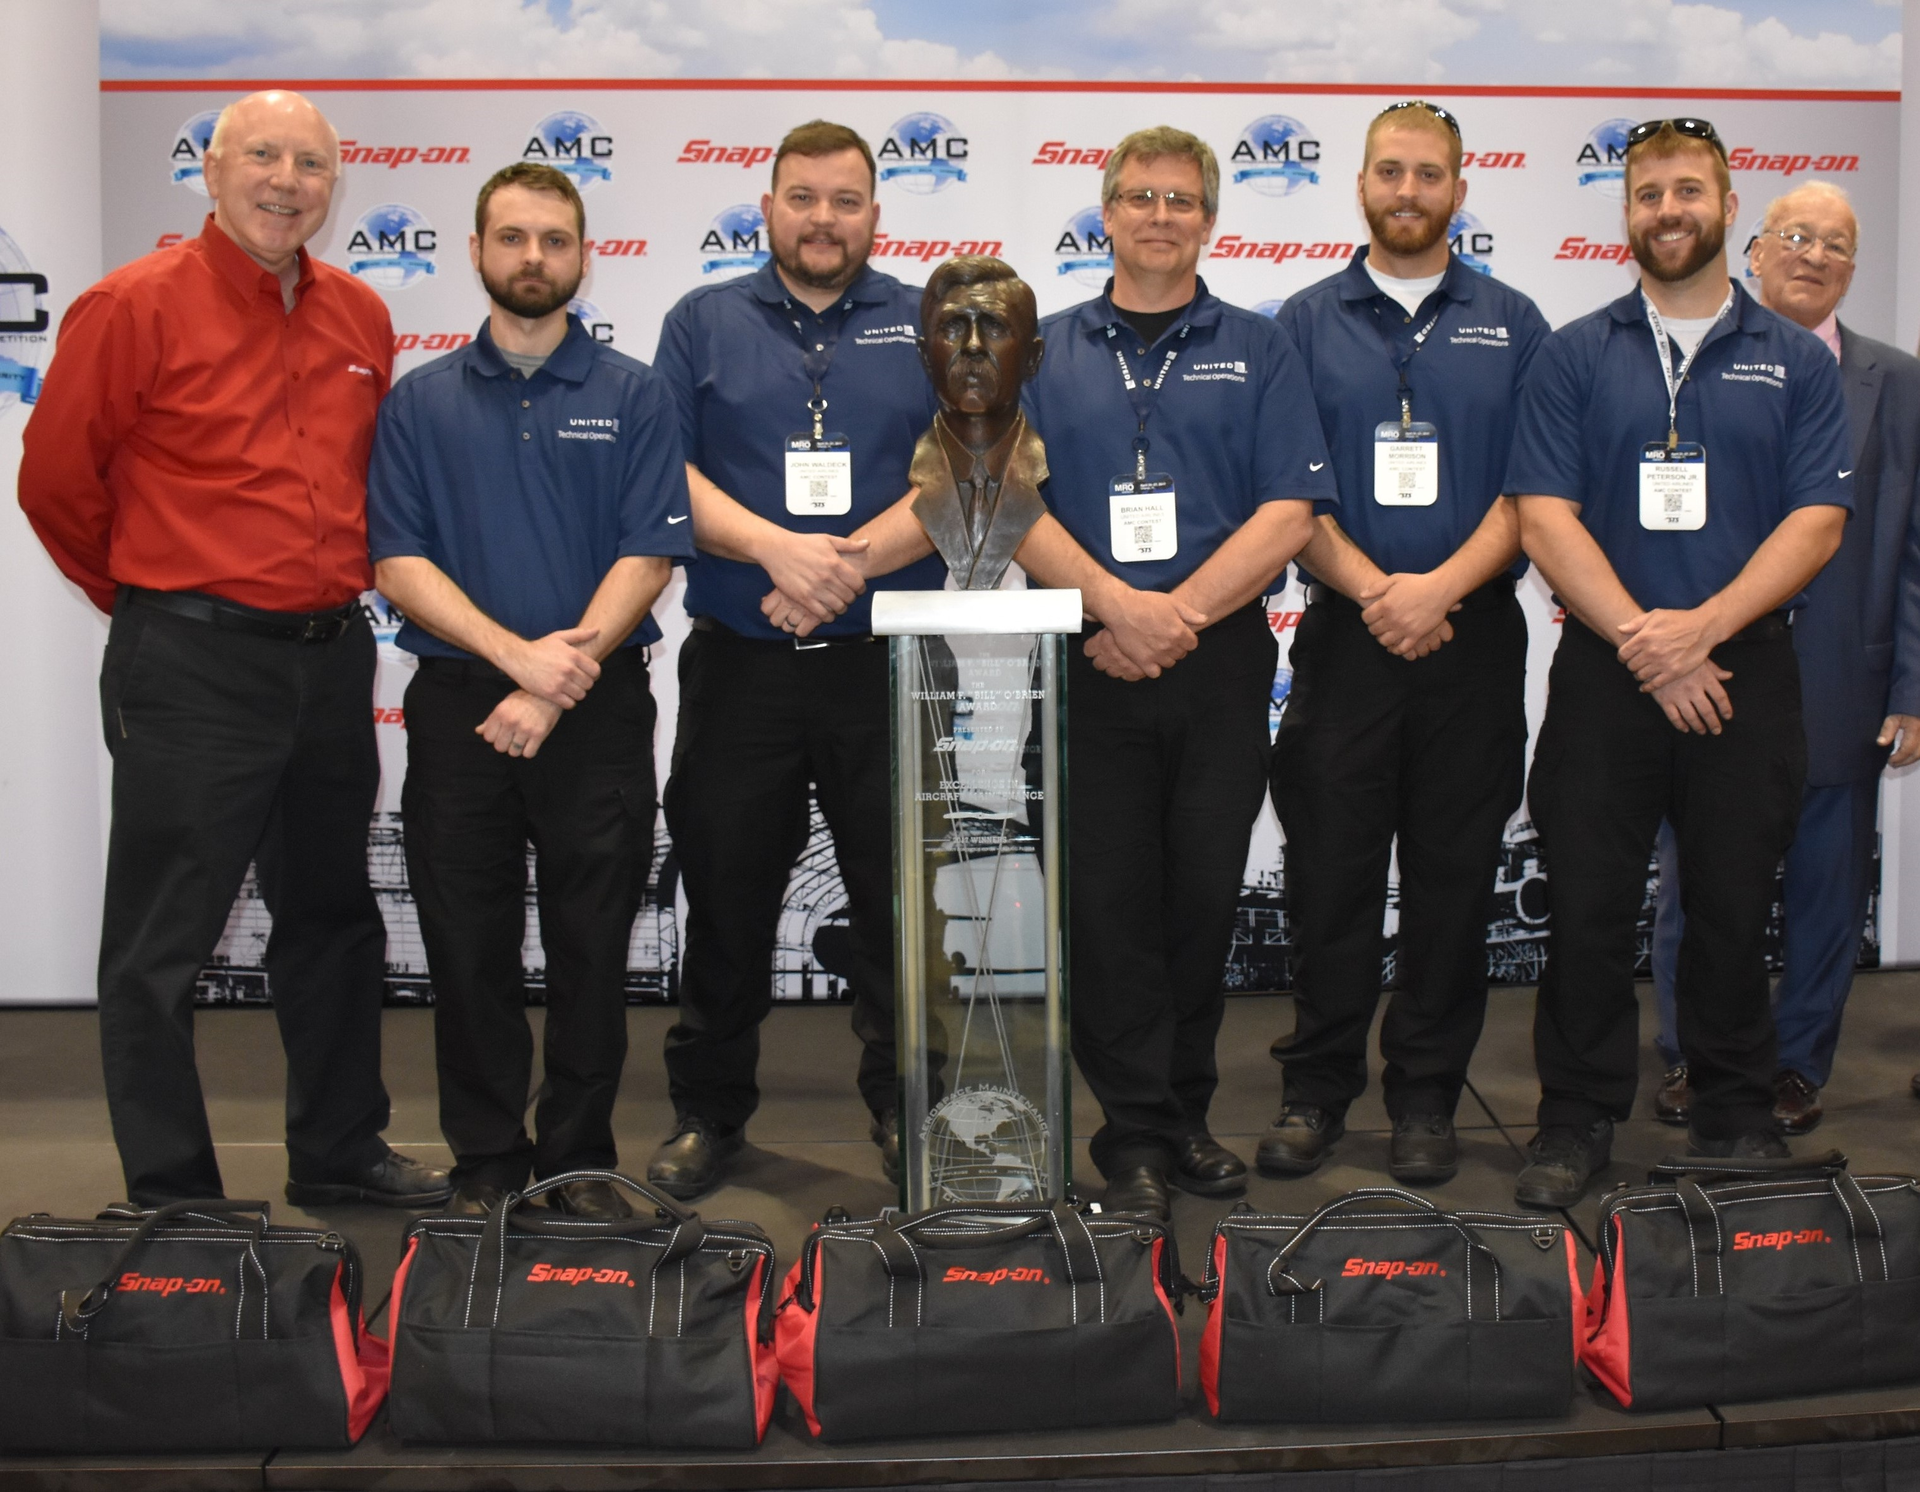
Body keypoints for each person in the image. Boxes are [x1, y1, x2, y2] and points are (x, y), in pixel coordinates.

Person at [16, 91, 448, 1209]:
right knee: (163, 946)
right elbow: (57, 483)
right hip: (194, 659)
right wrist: (157, 603)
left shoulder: (358, 314)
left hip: (328, 656)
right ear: (211, 170)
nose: (287, 181)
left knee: (334, 918)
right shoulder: (130, 306)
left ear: (331, 186)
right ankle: (174, 1195)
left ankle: (341, 1147)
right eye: (262, 155)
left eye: (310, 164)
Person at [1505, 118, 1851, 1206]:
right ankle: (1574, 1120)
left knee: (1737, 902)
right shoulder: (1574, 351)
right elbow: (1542, 517)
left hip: (1743, 671)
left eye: (1688, 190)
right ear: (1626, 213)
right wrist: (1653, 646)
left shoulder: (1796, 358)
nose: (1667, 210)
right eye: (1648, 192)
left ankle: (1738, 1111)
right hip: (1612, 671)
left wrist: (1700, 629)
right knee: (1594, 906)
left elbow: (1818, 522)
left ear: (1726, 206)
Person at [366, 164, 692, 1218]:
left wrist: (555, 684)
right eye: (511, 238)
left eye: (554, 239)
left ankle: (576, 1154)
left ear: (583, 255)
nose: (533, 258)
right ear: (475, 252)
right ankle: (488, 1157)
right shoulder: (419, 401)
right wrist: (519, 662)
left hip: (594, 706)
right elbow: (398, 563)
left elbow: (650, 553)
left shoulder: (634, 393)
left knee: (594, 943)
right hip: (461, 703)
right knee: (468, 941)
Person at [1020, 126, 1334, 1219]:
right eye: (1141, 195)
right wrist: (1115, 608)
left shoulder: (1261, 344)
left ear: (1210, 219)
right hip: (1087, 655)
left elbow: (1289, 509)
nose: (1162, 214)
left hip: (1217, 657)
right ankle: (1131, 1134)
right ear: (1106, 212)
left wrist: (1176, 616)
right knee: (1107, 906)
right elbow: (1014, 505)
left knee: (1200, 899)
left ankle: (1186, 1113)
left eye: (1183, 199)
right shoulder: (1040, 347)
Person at [644, 121, 947, 1197]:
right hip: (743, 662)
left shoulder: (927, 322)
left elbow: (966, 473)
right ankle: (708, 1114)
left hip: (884, 664)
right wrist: (776, 548)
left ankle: (912, 1115)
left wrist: (843, 567)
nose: (825, 219)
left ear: (876, 213)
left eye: (847, 200)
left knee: (898, 910)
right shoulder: (700, 322)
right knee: (726, 901)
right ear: (767, 206)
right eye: (804, 198)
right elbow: (665, 474)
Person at [1263, 101, 1549, 1184]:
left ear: (1459, 190)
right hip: (1346, 634)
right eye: (1391, 170)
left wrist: (1438, 592)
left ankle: (1425, 1096)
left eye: (1431, 174)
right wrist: (1383, 590)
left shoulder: (1515, 322)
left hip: (1472, 641)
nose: (1410, 190)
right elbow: (1288, 490)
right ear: (1362, 185)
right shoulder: (1300, 319)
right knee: (1329, 881)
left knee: (1451, 881)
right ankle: (1317, 1089)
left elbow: (1535, 491)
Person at [1643, 183, 1920, 1135]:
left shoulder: (1899, 380)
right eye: (1795, 236)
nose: (1812, 255)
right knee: (1697, 892)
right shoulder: (1699, 361)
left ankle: (1797, 1065)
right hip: (1715, 675)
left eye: (1835, 245)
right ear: (1753, 248)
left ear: (1852, 268)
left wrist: (1914, 686)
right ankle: (1692, 1059)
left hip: (1845, 677)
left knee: (1826, 895)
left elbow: (1915, 544)